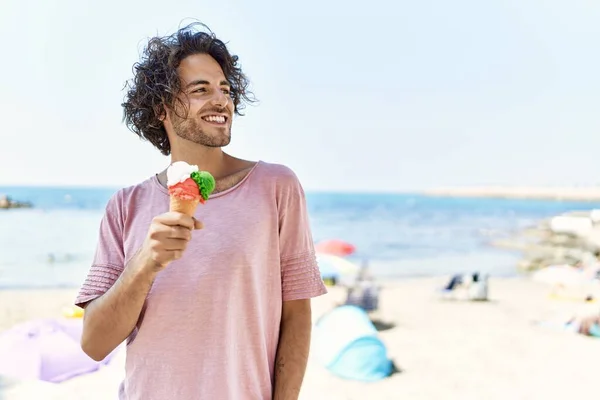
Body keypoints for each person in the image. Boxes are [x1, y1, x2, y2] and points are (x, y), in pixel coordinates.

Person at [74, 22, 327, 400]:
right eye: (201, 90)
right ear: (161, 107)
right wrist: (146, 263)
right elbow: (94, 343)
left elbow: (296, 316)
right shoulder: (125, 206)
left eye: (225, 89)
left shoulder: (277, 187)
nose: (221, 100)